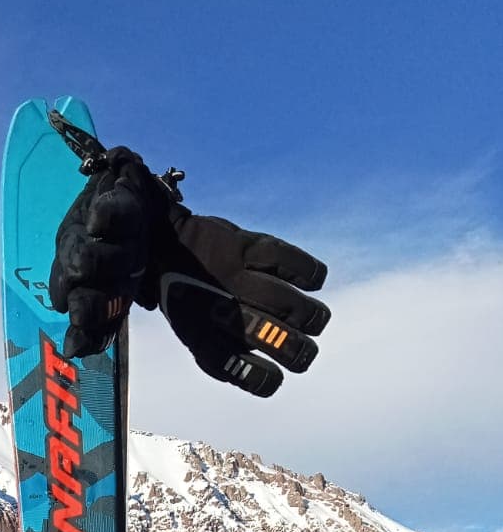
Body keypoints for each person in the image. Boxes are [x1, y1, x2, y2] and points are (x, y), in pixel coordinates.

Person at [49, 138, 330, 397]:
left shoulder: (126, 198)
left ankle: (156, 255)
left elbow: (129, 205)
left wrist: (167, 242)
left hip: (148, 227)